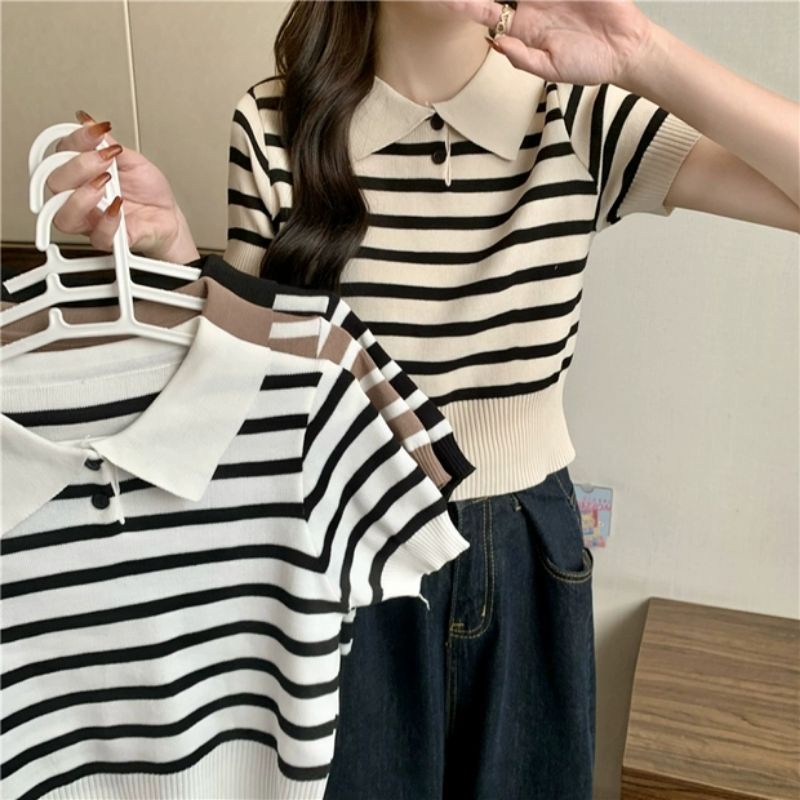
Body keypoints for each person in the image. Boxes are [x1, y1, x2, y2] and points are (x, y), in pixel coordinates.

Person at [47, 1, 800, 798]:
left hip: (526, 545)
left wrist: (643, 51)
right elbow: (250, 384)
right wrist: (170, 255)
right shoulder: (276, 121)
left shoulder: (577, 110)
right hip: (341, 545)